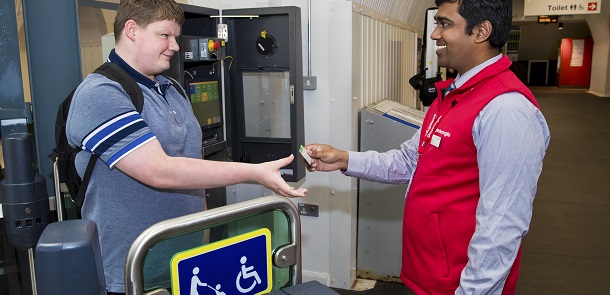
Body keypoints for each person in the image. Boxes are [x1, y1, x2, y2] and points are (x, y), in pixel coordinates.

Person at [304, 0, 550, 294]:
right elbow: (410, 161)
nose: (434, 34)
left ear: (481, 31)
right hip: (425, 276)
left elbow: (502, 225)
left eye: (445, 24)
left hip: (458, 286)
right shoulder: (453, 95)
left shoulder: (506, 109)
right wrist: (344, 160)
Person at [66, 0, 307, 293]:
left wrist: (203, 231)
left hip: (187, 261)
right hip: (133, 270)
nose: (175, 46)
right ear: (131, 30)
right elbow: (160, 171)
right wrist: (253, 172)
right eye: (164, 35)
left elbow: (189, 164)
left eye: (176, 37)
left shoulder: (172, 88)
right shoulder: (101, 94)